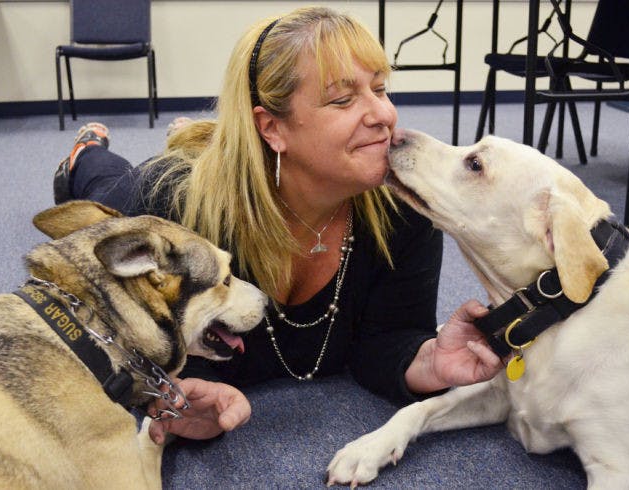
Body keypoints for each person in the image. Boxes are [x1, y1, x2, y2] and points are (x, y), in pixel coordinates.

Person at [52, 6, 502, 445]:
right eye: (343, 99)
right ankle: (85, 152)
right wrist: (184, 382)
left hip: (250, 162)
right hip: (150, 185)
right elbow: (109, 327)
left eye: (381, 89)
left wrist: (430, 362)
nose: (383, 115)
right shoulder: (175, 206)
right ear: (272, 128)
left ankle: (204, 132)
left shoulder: (403, 211)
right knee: (104, 184)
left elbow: (388, 337)